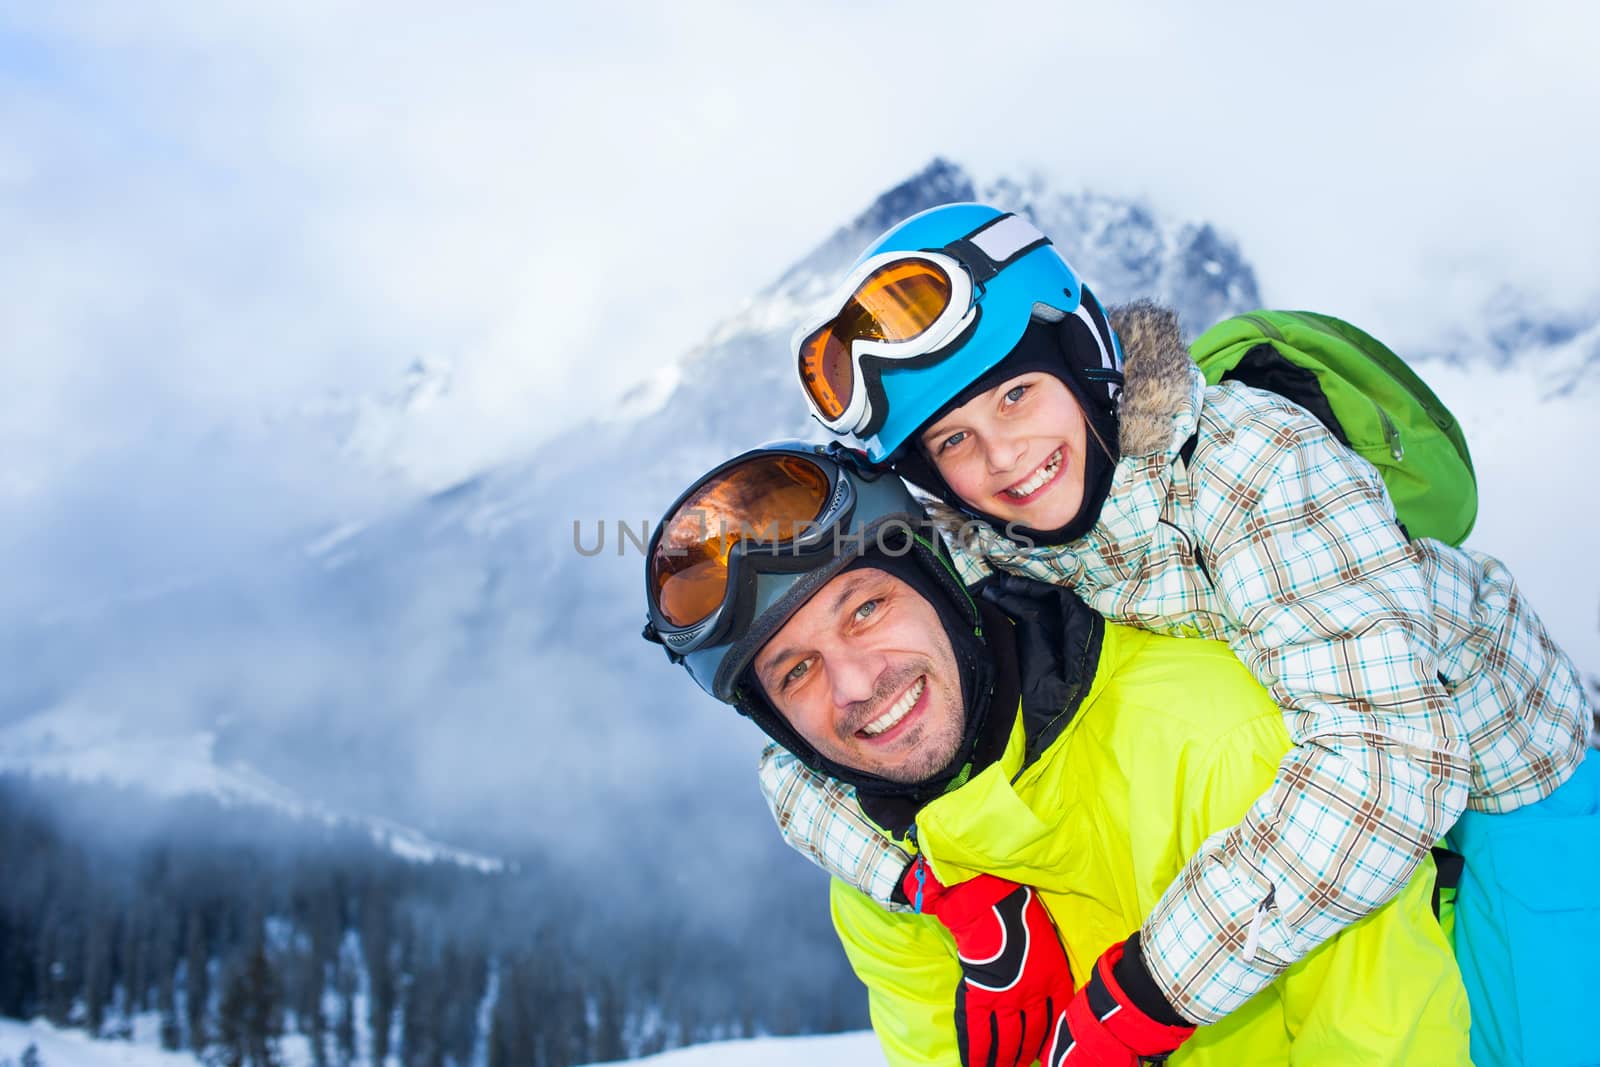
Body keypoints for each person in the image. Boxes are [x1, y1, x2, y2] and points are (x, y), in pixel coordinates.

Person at [772, 202, 1597, 1065]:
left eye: (1016, 394)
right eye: (955, 438)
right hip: (1313, 777)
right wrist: (933, 888)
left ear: (1082, 357)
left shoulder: (1255, 464)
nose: (1004, 457)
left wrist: (1147, 993)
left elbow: (1385, 764)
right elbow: (806, 762)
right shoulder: (982, 536)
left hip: (1504, 772)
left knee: (1539, 1042)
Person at [642, 442, 1472, 1065]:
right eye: (798, 671)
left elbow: (1383, 1041)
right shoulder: (882, 874)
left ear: (940, 580)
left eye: (865, 610)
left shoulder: (1217, 742)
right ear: (781, 727)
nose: (856, 684)